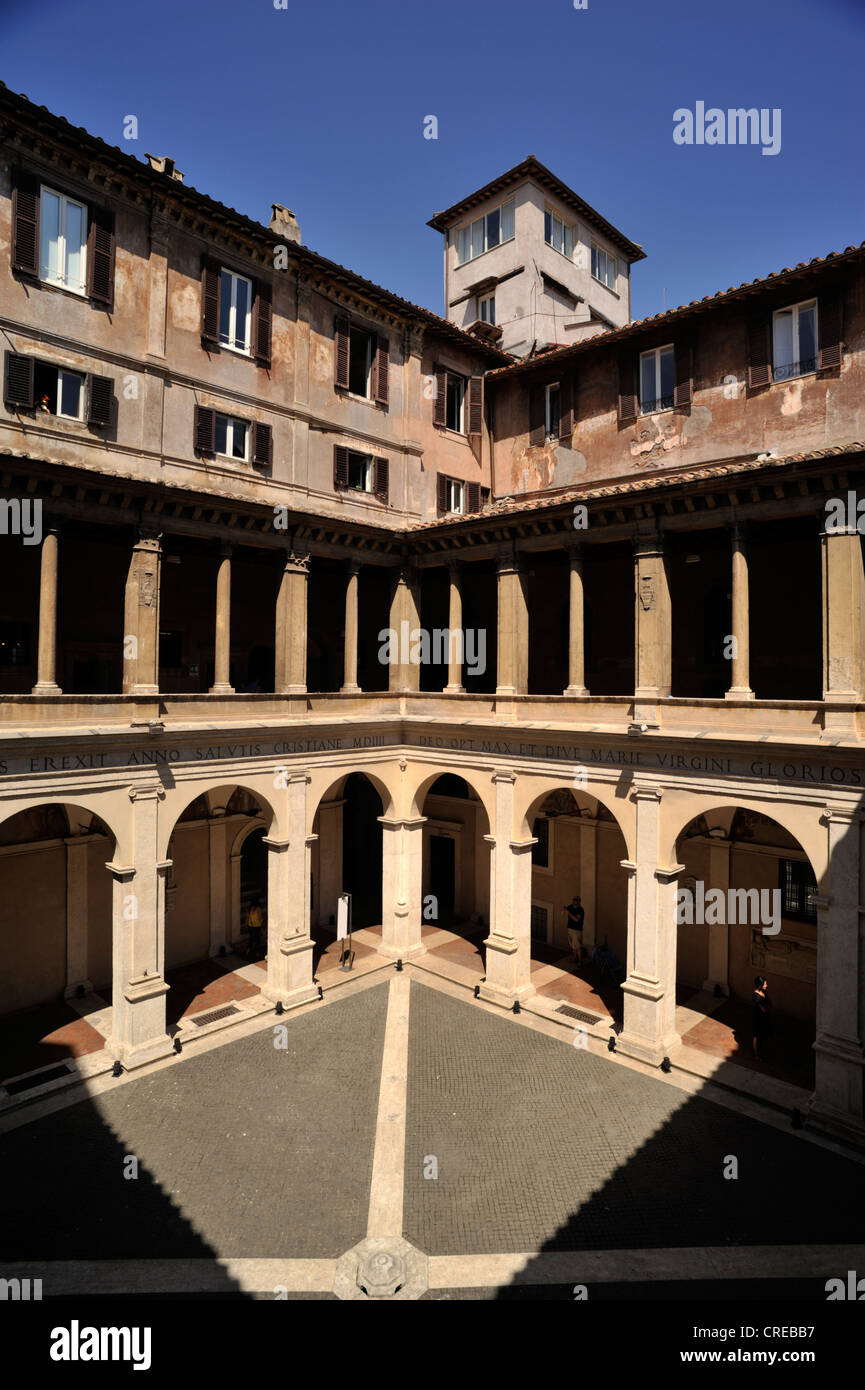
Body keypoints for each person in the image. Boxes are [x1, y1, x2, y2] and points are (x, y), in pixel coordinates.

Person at [752, 975, 772, 1059]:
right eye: (765, 984)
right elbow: (764, 1009)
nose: (766, 985)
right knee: (757, 1035)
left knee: (762, 1035)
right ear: (760, 984)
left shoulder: (763, 992)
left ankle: (761, 1050)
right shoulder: (756, 996)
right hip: (759, 1018)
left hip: (764, 1017)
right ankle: (756, 1054)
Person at [563, 896, 585, 965]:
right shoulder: (570, 906)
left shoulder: (580, 910)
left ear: (579, 901)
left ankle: (580, 961)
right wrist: (563, 910)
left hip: (576, 930)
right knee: (573, 945)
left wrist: (568, 913)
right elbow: (563, 913)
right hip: (570, 928)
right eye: (573, 899)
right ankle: (575, 958)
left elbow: (576, 919)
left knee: (577, 946)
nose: (574, 901)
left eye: (576, 900)